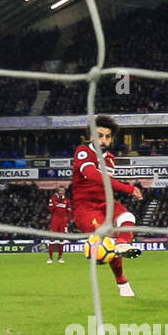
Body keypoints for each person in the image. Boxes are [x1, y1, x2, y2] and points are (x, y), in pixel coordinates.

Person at [69, 115, 144, 298]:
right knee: (107, 236)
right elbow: (95, 177)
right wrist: (128, 188)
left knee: (128, 218)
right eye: (100, 135)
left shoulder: (110, 158)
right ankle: (122, 281)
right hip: (86, 209)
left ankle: (124, 244)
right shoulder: (83, 152)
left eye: (108, 136)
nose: (104, 140)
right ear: (91, 137)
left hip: (106, 205)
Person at [46, 186, 71, 263]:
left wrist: (68, 221)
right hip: (55, 221)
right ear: (57, 191)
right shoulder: (53, 199)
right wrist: (57, 201)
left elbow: (69, 211)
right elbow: (50, 209)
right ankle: (50, 258)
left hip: (63, 222)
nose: (62, 192)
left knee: (61, 239)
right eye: (60, 190)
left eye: (63, 190)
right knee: (52, 238)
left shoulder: (67, 200)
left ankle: (60, 258)